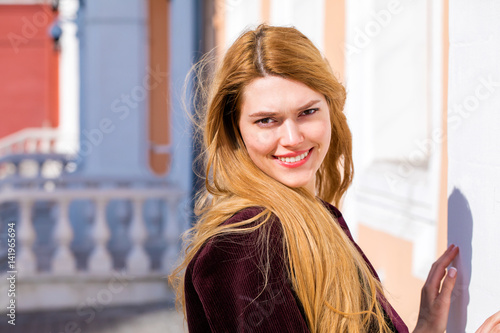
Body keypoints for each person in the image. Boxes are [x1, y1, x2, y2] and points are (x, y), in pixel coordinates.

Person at [169, 24, 500, 332]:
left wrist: (426, 325)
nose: (292, 138)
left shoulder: (318, 217)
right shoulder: (240, 248)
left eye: (307, 112)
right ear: (235, 129)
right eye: (267, 120)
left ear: (331, 108)